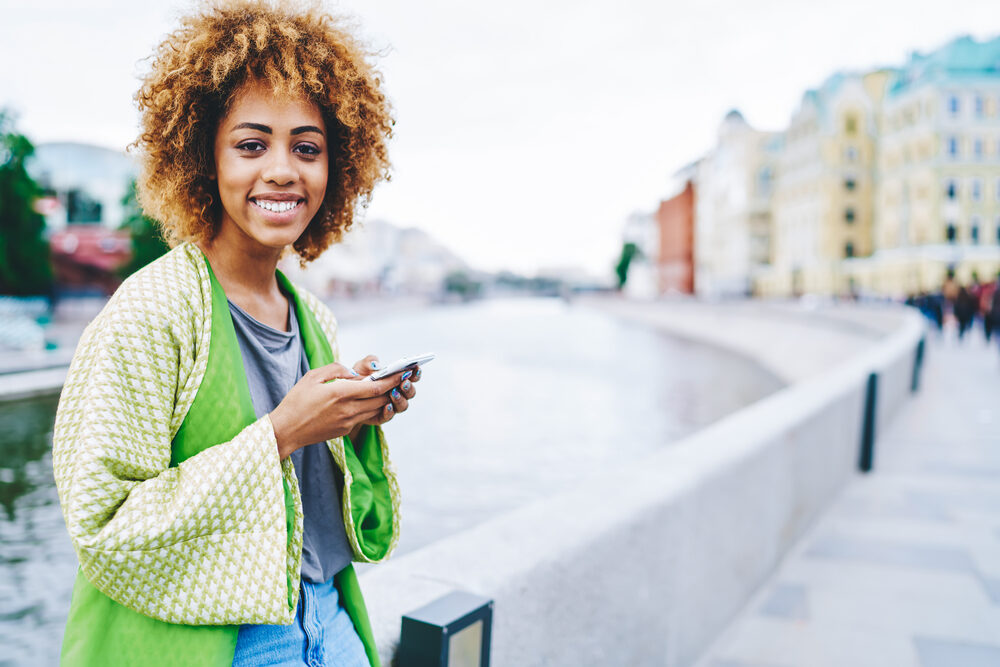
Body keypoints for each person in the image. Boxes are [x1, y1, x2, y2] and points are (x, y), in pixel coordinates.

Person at [52, 2, 415, 665]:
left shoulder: (315, 317)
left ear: (337, 168)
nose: (282, 170)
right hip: (221, 645)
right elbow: (104, 528)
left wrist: (355, 418)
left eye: (307, 147)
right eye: (252, 145)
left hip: (332, 622)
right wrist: (284, 430)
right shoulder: (149, 312)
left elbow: (322, 510)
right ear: (202, 157)